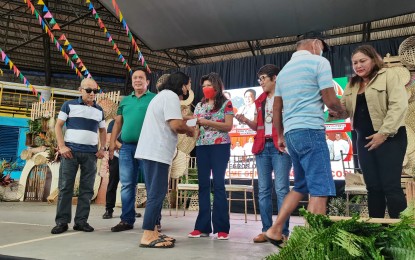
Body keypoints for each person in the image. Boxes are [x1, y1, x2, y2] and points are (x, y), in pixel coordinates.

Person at [265, 38, 345, 247]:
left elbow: (276, 109)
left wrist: (281, 135)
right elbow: (329, 98)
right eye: (322, 49)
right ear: (315, 44)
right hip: (310, 130)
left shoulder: (284, 72)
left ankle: (274, 229)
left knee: (301, 185)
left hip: (291, 134)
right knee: (320, 189)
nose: (322, 53)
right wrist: (342, 111)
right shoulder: (319, 63)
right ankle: (311, 244)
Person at [335, 45, 408, 218]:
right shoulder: (353, 83)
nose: (358, 66)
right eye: (354, 63)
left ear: (374, 59)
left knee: (391, 186)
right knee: (373, 187)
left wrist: (383, 133)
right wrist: (333, 108)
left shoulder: (389, 75)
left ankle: (400, 233)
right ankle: (377, 232)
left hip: (390, 137)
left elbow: (398, 105)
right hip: (363, 140)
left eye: (362, 61)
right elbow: (344, 110)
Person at [135, 72, 195, 248]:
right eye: (188, 83)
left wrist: (186, 119)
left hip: (153, 152)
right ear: (182, 85)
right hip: (157, 152)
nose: (189, 87)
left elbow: (170, 118)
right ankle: (147, 234)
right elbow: (175, 125)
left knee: (157, 192)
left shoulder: (163, 96)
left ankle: (153, 231)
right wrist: (190, 130)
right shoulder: (170, 96)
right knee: (157, 193)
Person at [235, 64, 292, 243]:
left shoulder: (286, 97)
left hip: (280, 147)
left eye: (263, 79)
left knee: (282, 190)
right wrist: (245, 120)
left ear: (275, 78)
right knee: (264, 191)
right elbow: (258, 126)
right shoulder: (260, 100)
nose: (261, 83)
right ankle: (267, 230)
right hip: (262, 147)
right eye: (259, 79)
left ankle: (283, 232)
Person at [51, 78, 106, 234]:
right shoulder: (68, 105)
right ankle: (62, 222)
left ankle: (81, 222)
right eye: (88, 90)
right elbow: (58, 125)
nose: (92, 94)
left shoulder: (99, 110)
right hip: (70, 153)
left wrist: (103, 148)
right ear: (80, 90)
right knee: (65, 187)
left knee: (87, 189)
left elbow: (102, 131)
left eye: (95, 91)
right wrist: (61, 146)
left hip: (91, 154)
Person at [109, 69, 156, 232]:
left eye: (141, 78)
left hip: (148, 146)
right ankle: (127, 220)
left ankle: (154, 221)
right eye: (135, 77)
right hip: (126, 147)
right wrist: (112, 143)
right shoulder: (124, 101)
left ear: (147, 82)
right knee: (127, 184)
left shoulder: (154, 99)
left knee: (151, 184)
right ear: (132, 81)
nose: (137, 80)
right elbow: (118, 123)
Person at [188, 72, 234, 240]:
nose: (206, 88)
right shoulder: (200, 105)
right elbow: (194, 123)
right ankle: (202, 227)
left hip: (220, 146)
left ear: (216, 86)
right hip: (202, 147)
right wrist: (188, 124)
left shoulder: (226, 103)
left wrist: (207, 122)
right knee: (203, 186)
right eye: (203, 86)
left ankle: (222, 228)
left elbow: (228, 126)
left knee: (219, 185)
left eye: (209, 85)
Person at [102, 118, 122, 219]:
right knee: (113, 183)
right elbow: (110, 139)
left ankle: (129, 209)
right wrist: (123, 147)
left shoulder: (133, 121)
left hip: (130, 156)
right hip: (116, 156)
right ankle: (109, 209)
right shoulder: (114, 123)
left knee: (130, 185)